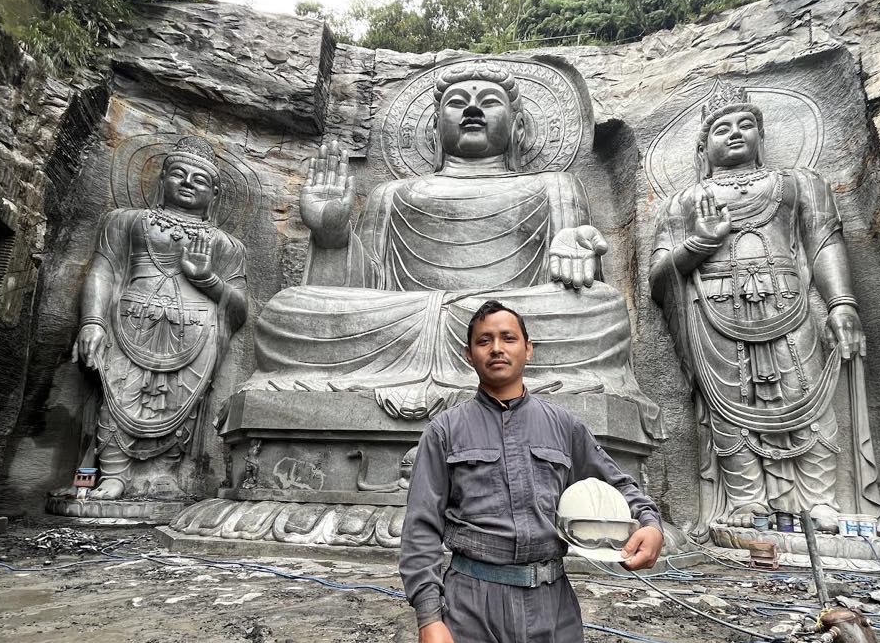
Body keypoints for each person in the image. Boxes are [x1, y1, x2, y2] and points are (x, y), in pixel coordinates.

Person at [247, 61, 661, 439]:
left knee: (602, 309)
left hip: (513, 321)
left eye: (489, 102)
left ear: (519, 129)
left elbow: (580, 286)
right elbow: (367, 289)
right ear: (433, 130)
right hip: (400, 322)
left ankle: (469, 349)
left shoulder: (555, 185)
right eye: (458, 103)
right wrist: (333, 235)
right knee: (287, 311)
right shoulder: (393, 194)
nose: (473, 110)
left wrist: (573, 246)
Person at [399, 300, 664, 643]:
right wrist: (429, 619)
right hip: (472, 607)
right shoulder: (445, 431)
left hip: (552, 604)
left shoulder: (563, 427)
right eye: (484, 340)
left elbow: (617, 482)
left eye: (508, 338)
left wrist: (650, 522)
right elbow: (420, 530)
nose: (496, 348)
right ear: (469, 355)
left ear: (528, 349)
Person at [649, 81, 880, 537]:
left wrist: (841, 303)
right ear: (703, 146)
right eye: (721, 129)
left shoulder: (800, 184)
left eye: (745, 125)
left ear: (761, 133)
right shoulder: (683, 202)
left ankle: (821, 502)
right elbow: (659, 276)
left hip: (788, 300)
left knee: (807, 395)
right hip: (713, 308)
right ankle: (745, 502)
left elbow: (823, 243)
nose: (734, 134)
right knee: (728, 404)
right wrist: (698, 243)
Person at [72, 136, 248, 500]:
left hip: (196, 332)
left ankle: (163, 473)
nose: (187, 183)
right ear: (162, 179)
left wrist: (207, 280)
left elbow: (241, 306)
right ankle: (113, 475)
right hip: (129, 321)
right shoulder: (126, 221)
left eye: (199, 180)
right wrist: (92, 321)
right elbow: (103, 272)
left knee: (180, 401)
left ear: (214, 193)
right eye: (178, 174)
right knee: (117, 392)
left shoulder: (226, 244)